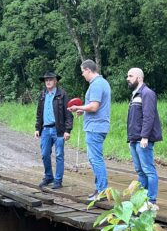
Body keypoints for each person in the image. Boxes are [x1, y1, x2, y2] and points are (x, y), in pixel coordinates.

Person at [68, 59, 111, 201]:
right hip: (97, 126)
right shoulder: (102, 82)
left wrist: (78, 108)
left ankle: (103, 191)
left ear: (88, 70)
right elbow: (94, 107)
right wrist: (83, 111)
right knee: (93, 159)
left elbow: (94, 107)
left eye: (82, 72)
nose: (82, 75)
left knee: (95, 159)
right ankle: (99, 189)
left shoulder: (97, 84)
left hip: (95, 127)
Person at [126, 68, 162, 211]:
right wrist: (130, 140)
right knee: (140, 171)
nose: (127, 78)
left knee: (148, 170)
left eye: (130, 76)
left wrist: (145, 137)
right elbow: (133, 120)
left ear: (139, 78)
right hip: (134, 139)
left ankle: (151, 201)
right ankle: (142, 200)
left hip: (143, 139)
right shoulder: (135, 94)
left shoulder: (147, 93)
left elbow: (149, 117)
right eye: (127, 76)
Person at [35, 71, 73, 190]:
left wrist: (68, 130)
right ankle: (48, 177)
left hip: (59, 130)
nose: (48, 82)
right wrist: (37, 128)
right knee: (45, 154)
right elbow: (39, 113)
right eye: (46, 80)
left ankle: (58, 180)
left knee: (59, 155)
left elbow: (68, 114)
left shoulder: (62, 94)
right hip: (45, 129)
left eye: (50, 79)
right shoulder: (42, 95)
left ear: (56, 81)